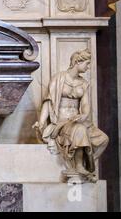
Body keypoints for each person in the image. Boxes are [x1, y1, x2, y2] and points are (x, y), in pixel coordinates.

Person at [33, 49, 109, 183]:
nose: (88, 66)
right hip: (61, 123)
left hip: (78, 120)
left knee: (103, 139)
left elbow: (85, 105)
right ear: (77, 62)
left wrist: (84, 115)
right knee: (79, 130)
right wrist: (41, 122)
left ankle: (86, 164)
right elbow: (48, 102)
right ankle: (78, 166)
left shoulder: (84, 84)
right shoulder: (59, 78)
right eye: (86, 63)